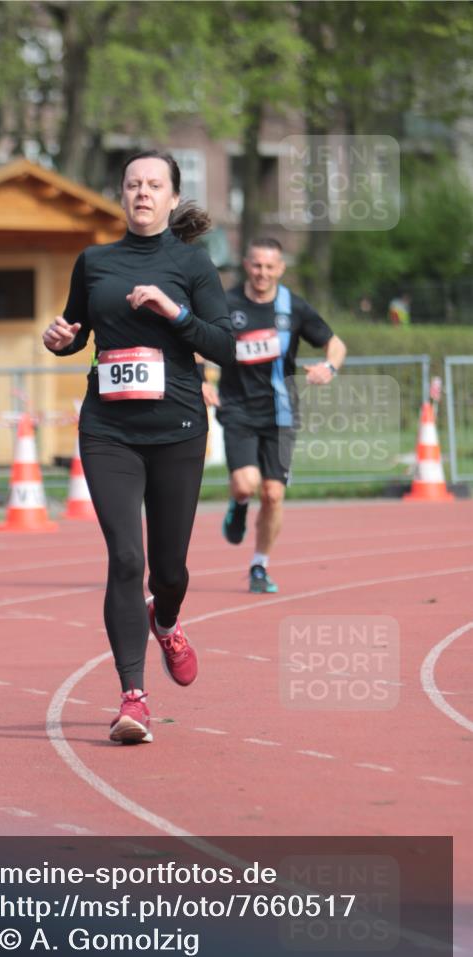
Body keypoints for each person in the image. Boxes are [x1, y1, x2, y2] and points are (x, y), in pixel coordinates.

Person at [43, 150, 234, 745]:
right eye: (133, 184)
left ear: (173, 198)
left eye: (154, 185)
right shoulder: (94, 262)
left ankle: (166, 620)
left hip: (178, 429)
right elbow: (75, 332)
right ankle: (133, 698)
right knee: (127, 559)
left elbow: (224, 345)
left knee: (169, 570)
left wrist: (173, 310)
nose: (142, 193)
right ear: (121, 195)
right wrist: (59, 339)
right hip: (108, 430)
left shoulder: (193, 263)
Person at [205, 237, 346, 593]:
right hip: (237, 408)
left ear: (281, 268)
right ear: (246, 265)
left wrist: (329, 367)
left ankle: (259, 566)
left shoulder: (292, 307)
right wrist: (200, 381)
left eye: (270, 267)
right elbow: (195, 345)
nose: (262, 273)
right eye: (256, 265)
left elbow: (335, 344)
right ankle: (239, 504)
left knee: (273, 495)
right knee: (246, 484)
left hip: (281, 414)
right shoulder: (226, 304)